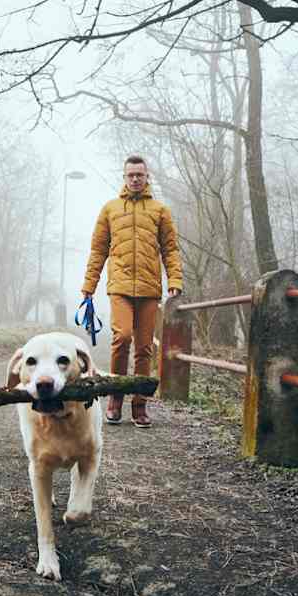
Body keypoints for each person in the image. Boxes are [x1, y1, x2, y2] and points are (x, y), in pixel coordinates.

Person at [80, 154, 183, 428]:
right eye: (131, 175)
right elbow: (98, 250)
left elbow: (170, 250)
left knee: (144, 348)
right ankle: (115, 398)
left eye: (140, 174)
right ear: (124, 177)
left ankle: (139, 406)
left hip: (150, 289)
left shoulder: (160, 211)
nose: (135, 179)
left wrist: (175, 280)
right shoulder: (110, 209)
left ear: (147, 176)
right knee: (122, 337)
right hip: (120, 287)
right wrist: (89, 285)